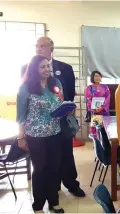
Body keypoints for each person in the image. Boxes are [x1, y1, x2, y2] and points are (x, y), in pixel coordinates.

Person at [22, 36, 85, 197]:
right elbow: (24, 99)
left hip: (61, 121)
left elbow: (70, 93)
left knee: (65, 154)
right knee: (45, 159)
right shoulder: (26, 68)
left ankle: (71, 183)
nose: (39, 48)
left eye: (42, 46)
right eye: (37, 46)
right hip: (38, 127)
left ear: (51, 48)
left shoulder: (65, 68)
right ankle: (52, 187)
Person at [17, 55, 65, 213]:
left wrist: (66, 109)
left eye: (48, 66)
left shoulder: (55, 83)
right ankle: (38, 205)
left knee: (54, 168)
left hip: (55, 133)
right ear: (34, 69)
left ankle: (53, 202)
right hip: (35, 136)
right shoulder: (26, 88)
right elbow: (21, 115)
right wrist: (20, 137)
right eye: (42, 67)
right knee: (40, 169)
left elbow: (60, 103)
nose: (47, 69)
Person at [85, 71, 111, 136]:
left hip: (104, 111)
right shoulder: (89, 88)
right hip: (95, 112)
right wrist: (94, 108)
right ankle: (97, 145)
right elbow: (88, 99)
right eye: (95, 76)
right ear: (92, 77)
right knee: (96, 130)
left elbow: (108, 98)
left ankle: (104, 145)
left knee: (105, 129)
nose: (97, 77)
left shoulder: (105, 87)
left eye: (99, 76)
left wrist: (102, 107)